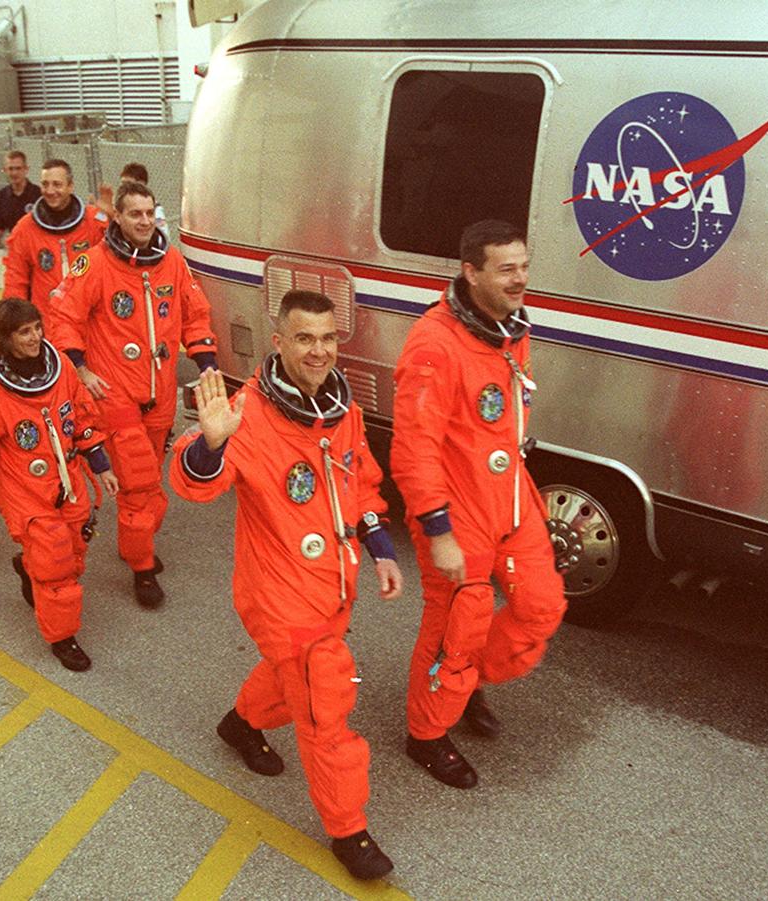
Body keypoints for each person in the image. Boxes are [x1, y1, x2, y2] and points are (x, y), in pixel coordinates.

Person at [169, 290, 402, 881]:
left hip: (332, 586)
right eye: (304, 338)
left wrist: (379, 550)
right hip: (278, 592)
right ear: (279, 342)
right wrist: (211, 441)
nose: (318, 350)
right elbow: (193, 483)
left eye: (327, 338)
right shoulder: (247, 413)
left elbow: (362, 486)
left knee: (289, 674)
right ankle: (349, 831)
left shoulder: (341, 411)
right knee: (325, 702)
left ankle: (241, 724)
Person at [390, 220, 567, 789]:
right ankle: (426, 734)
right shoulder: (434, 343)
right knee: (455, 624)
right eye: (507, 269)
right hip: (458, 509)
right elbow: (413, 448)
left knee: (541, 608)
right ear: (470, 272)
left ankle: (461, 681)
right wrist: (437, 530)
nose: (521, 279)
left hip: (510, 497)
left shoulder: (509, 328)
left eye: (524, 265)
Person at [47, 180, 217, 608]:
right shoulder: (95, 265)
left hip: (159, 394)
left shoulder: (171, 262)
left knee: (150, 489)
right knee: (140, 482)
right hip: (115, 394)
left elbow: (196, 314)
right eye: (134, 214)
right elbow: (63, 315)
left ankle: (133, 541)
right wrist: (80, 368)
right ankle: (142, 568)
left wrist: (207, 364)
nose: (143, 221)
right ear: (117, 218)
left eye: (149, 213)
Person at [0, 299, 120, 671]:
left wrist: (102, 465)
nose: (35, 337)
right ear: (5, 338)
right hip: (26, 493)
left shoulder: (59, 366)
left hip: (68, 483)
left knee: (75, 552)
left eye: (37, 328)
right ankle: (62, 637)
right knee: (56, 565)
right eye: (24, 332)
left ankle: (29, 568)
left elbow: (81, 417)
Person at [1, 159, 108, 319]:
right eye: (45, 184)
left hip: (89, 321)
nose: (50, 191)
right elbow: (15, 281)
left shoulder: (93, 221)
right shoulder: (26, 228)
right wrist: (16, 321)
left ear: (70, 186)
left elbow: (118, 260)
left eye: (57, 184)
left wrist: (113, 219)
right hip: (47, 322)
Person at [0, 150, 42, 273]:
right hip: (14, 254)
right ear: (5, 170)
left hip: (38, 252)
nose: (14, 173)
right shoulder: (2, 196)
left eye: (18, 168)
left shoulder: (39, 195)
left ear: (26, 169)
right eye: (10, 169)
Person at [98, 162, 168, 235]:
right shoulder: (120, 207)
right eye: (122, 184)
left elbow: (161, 240)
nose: (124, 187)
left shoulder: (155, 209)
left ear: (141, 184)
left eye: (128, 184)